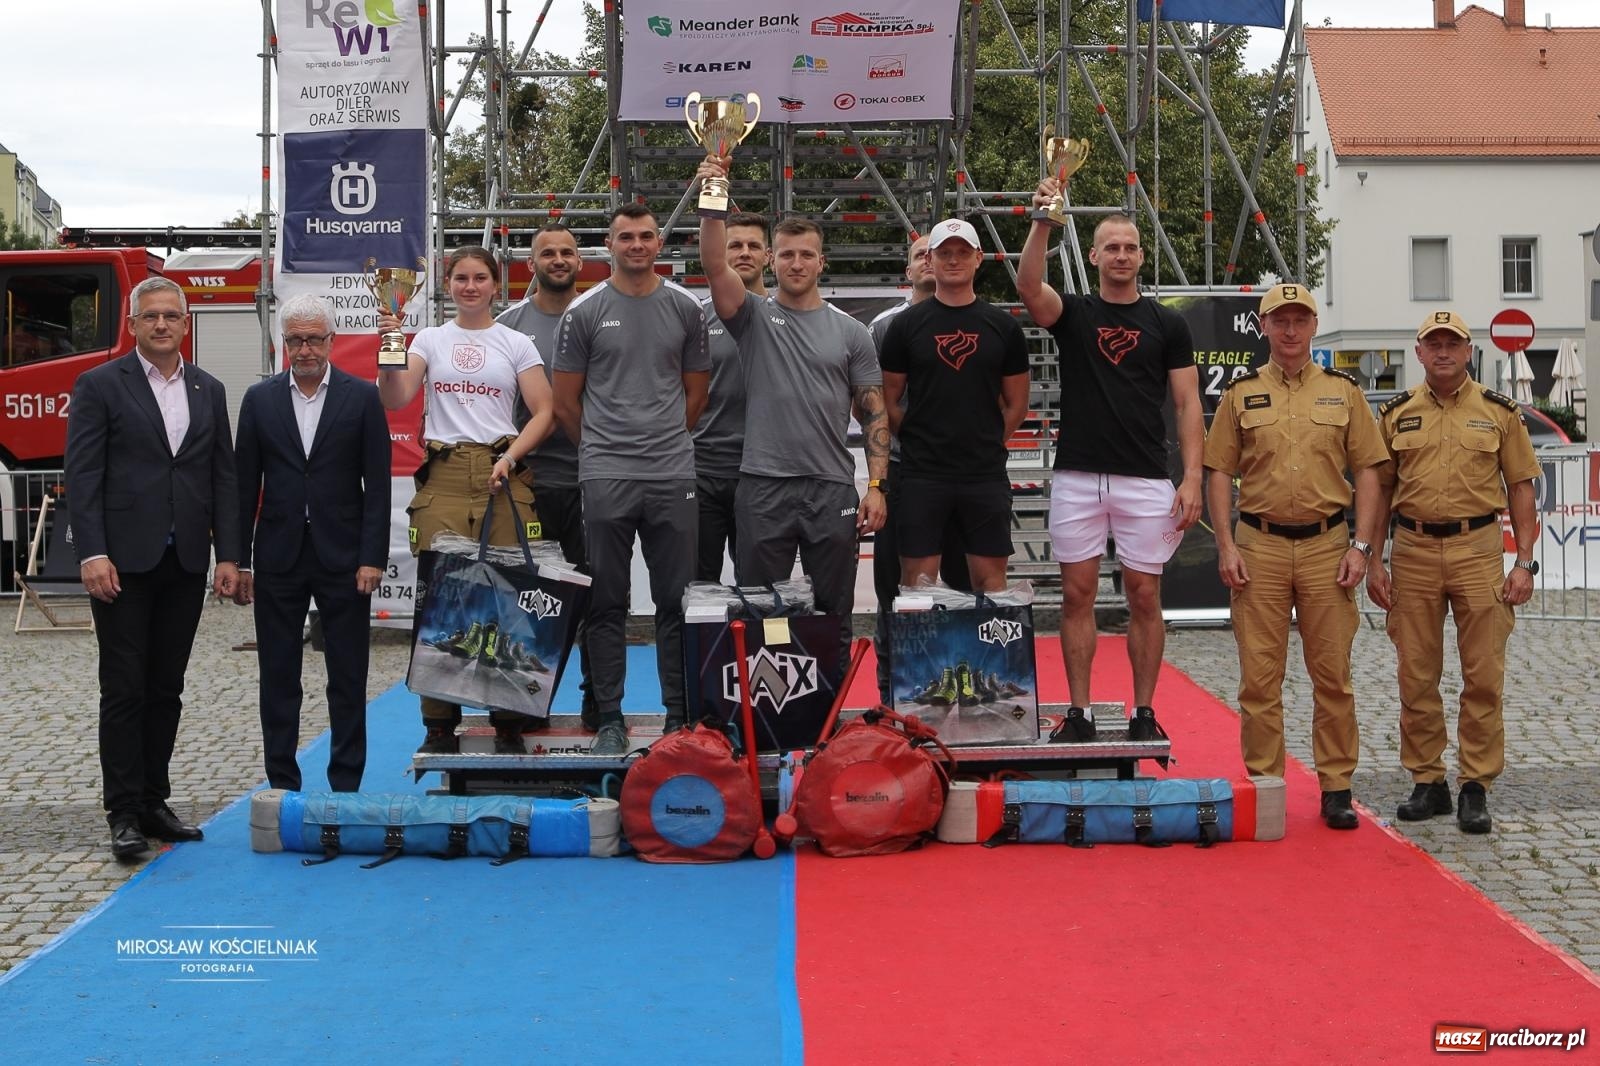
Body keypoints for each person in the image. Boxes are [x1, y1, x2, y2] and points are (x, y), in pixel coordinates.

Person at [64, 276, 241, 860]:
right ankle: (122, 813)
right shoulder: (99, 385)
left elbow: (222, 475)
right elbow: (83, 475)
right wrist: (91, 552)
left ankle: (153, 802)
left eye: (171, 315)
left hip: (184, 559)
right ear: (132, 324)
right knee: (124, 688)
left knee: (167, 687)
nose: (161, 324)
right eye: (151, 316)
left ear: (185, 323)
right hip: (121, 564)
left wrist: (229, 555)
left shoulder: (208, 388)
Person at [1202, 284, 1389, 829]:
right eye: (1280, 320)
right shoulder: (1240, 394)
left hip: (1327, 548)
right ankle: (1266, 785)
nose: (1289, 330)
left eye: (1299, 320)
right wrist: (1226, 545)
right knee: (1260, 678)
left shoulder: (1343, 393)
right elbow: (1219, 472)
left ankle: (1337, 787)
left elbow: (1370, 471)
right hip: (1258, 546)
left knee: (1332, 675)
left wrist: (1362, 546)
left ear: (1313, 326)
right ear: (1263, 326)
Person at [1015, 205, 1204, 742]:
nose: (1122, 255)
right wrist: (1043, 221)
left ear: (1141, 256)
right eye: (1112, 247)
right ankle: (1080, 714)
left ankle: (1143, 712)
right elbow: (1028, 286)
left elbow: (1188, 403)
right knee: (1077, 596)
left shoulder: (1168, 323)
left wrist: (1192, 475)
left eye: (1130, 247)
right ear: (1094, 256)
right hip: (1078, 476)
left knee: (1144, 596)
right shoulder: (1074, 313)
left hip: (1145, 478)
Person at [696, 157, 889, 669]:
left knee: (833, 613)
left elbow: (874, 414)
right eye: (787, 255)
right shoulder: (752, 317)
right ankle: (767, 709)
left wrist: (876, 486)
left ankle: (827, 712)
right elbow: (714, 263)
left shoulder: (852, 332)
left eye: (806, 255)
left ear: (821, 262)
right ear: (771, 261)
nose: (796, 263)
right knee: (763, 611)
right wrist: (713, 193)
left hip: (831, 488)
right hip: (763, 487)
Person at [377, 247, 556, 756]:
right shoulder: (429, 339)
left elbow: (545, 412)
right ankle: (439, 724)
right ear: (448, 285)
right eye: (461, 278)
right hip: (446, 475)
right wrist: (390, 344)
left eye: (480, 278)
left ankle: (508, 720)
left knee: (507, 598)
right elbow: (394, 397)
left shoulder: (515, 342)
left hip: (502, 473)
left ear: (495, 285)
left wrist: (512, 456)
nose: (470, 286)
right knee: (441, 600)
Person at [1366, 310, 1539, 834]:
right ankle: (1428, 780)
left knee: (1482, 673)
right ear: (1418, 352)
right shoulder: (1396, 414)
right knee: (1416, 673)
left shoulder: (1499, 412)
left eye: (1452, 344)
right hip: (1413, 551)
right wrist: (1373, 559)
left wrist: (1524, 561)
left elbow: (1521, 487)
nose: (1443, 352)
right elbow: (1380, 491)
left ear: (1468, 351)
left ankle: (1475, 786)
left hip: (1477, 549)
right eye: (1433, 344)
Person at [551, 204, 710, 754]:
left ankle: (680, 715)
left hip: (671, 474)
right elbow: (565, 404)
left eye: (646, 236)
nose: (637, 245)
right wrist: (603, 450)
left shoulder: (686, 308)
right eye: (626, 237)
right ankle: (610, 719)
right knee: (605, 601)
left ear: (659, 244)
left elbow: (696, 395)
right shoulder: (584, 311)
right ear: (610, 244)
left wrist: (662, 441)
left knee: (676, 600)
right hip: (606, 475)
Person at [233, 293, 391, 792]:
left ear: (332, 341)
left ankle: (346, 783)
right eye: (295, 340)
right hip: (278, 556)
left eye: (314, 339)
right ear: (284, 342)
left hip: (344, 557)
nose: (305, 349)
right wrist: (237, 559)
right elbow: (243, 486)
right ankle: (282, 782)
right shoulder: (259, 400)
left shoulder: (362, 397)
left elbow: (378, 485)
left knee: (348, 675)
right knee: (279, 675)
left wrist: (372, 557)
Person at [880, 218, 1030, 594]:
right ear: (929, 259)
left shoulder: (1003, 327)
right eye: (944, 253)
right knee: (917, 587)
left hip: (984, 475)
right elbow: (888, 400)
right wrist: (917, 438)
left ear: (978, 258)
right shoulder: (905, 326)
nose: (953, 260)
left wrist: (986, 440)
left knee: (991, 585)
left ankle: (985, 639)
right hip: (922, 475)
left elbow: (1017, 404)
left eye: (962, 252)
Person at [496, 222, 599, 731]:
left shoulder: (600, 314)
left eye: (567, 252)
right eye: (548, 253)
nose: (558, 260)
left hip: (594, 481)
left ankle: (598, 700)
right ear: (530, 264)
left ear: (579, 261)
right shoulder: (509, 326)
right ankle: (525, 702)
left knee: (597, 598)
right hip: (530, 484)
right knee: (529, 601)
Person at [868, 235, 972, 703]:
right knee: (895, 589)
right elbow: (871, 405)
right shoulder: (884, 327)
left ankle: (966, 684)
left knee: (965, 584)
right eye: (921, 256)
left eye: (940, 253)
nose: (931, 262)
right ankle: (894, 692)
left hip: (965, 474)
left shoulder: (979, 322)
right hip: (903, 470)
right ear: (908, 271)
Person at [691, 211, 763, 582]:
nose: (745, 253)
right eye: (735, 245)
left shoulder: (785, 316)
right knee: (698, 586)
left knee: (759, 588)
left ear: (768, 255)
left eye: (754, 246)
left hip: (763, 474)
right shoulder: (696, 318)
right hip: (703, 471)